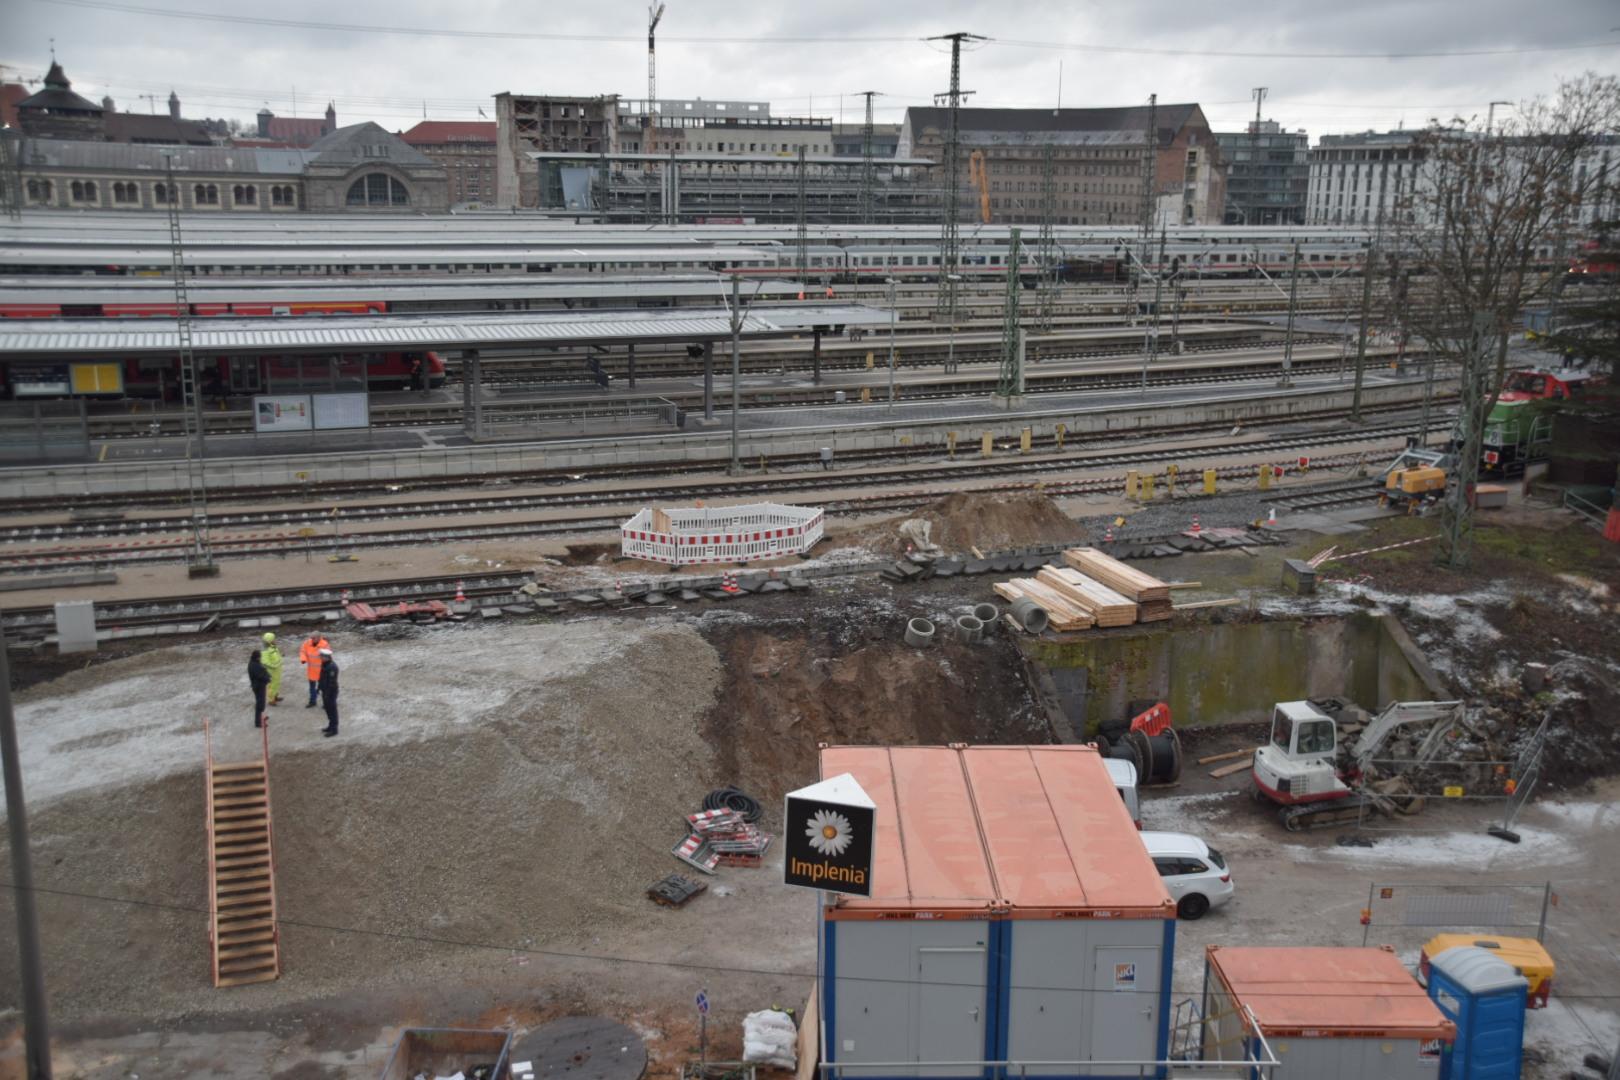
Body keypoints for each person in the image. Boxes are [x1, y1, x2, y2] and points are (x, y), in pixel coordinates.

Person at [300, 631, 330, 708]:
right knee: (312, 688)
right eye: (311, 638)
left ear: (319, 638)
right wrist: (303, 659)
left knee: (324, 689)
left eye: (313, 638)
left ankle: (326, 703)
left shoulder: (325, 645)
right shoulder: (307, 643)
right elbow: (303, 651)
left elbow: (327, 657)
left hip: (322, 671)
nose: (311, 639)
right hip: (312, 671)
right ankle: (312, 701)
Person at [317, 647, 340, 737]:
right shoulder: (325, 664)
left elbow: (331, 682)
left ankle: (334, 729)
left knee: (332, 710)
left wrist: (327, 694)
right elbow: (322, 677)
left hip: (330, 692)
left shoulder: (332, 667)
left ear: (326, 657)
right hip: (325, 691)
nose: (320, 658)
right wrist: (319, 687)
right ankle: (330, 726)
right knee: (328, 710)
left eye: (321, 656)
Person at [247, 649, 270, 729]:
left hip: (259, 686)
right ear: (257, 657)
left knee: (261, 703)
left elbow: (263, 671)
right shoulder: (254, 665)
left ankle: (260, 719)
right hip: (258, 687)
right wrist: (267, 678)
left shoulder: (255, 663)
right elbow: (260, 675)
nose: (260, 658)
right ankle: (258, 722)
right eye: (259, 657)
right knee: (260, 704)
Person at [260, 631, 284, 706]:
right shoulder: (265, 651)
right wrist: (275, 666)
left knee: (276, 684)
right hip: (271, 672)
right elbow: (265, 662)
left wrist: (280, 656)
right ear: (269, 641)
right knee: (271, 686)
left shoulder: (272, 646)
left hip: (276, 671)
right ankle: (271, 700)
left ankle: (275, 696)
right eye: (273, 639)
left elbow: (276, 655)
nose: (275, 640)